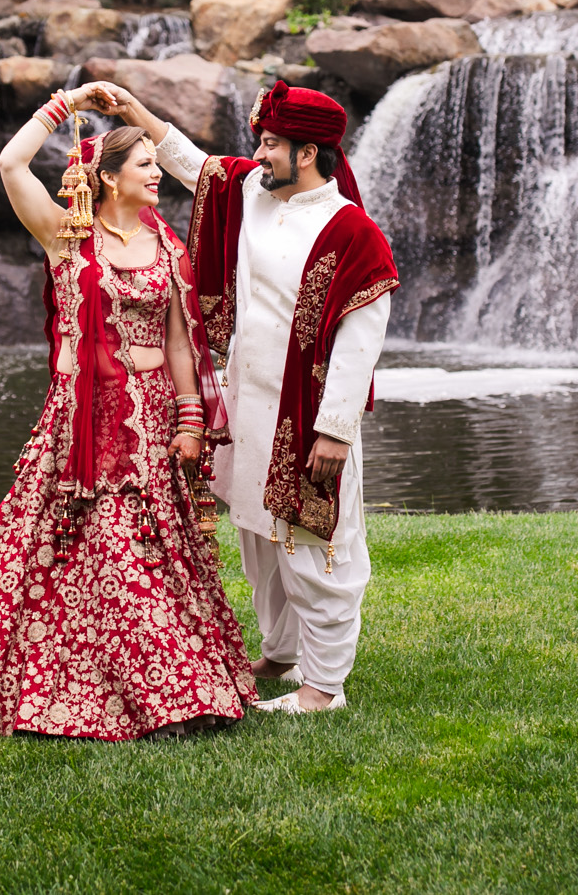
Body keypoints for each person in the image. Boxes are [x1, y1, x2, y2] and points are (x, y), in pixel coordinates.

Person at [0, 85, 255, 739]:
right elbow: (12, 164)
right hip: (80, 420)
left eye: (157, 161)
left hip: (150, 418)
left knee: (145, 552)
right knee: (87, 553)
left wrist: (189, 420)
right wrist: (64, 105)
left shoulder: (166, 248)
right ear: (109, 177)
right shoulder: (65, 234)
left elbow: (180, 340)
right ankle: (159, 699)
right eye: (146, 163)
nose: (158, 173)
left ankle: (171, 689)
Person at [91, 77, 397, 715]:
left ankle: (324, 686)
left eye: (269, 144)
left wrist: (336, 430)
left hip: (307, 416)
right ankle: (281, 651)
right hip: (246, 402)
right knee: (258, 536)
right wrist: (132, 111)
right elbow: (191, 163)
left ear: (307, 154)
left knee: (315, 545)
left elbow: (360, 342)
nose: (257, 155)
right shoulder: (256, 190)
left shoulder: (353, 234)